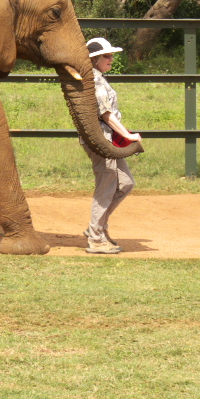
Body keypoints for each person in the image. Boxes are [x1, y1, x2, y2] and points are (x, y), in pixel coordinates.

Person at [82, 37, 142, 254]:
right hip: (101, 142)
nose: (111, 59)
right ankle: (96, 238)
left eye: (111, 55)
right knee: (106, 187)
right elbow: (106, 114)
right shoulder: (94, 81)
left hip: (109, 141)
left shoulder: (99, 78)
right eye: (106, 56)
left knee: (125, 183)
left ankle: (96, 228)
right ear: (94, 59)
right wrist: (127, 134)